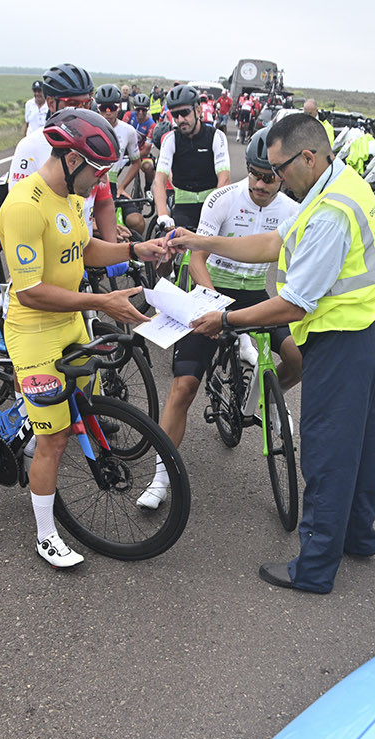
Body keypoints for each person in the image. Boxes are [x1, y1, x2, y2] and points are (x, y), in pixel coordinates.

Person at [173, 114, 375, 594]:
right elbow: (278, 243)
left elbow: (294, 302)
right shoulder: (339, 184)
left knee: (328, 452)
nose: (273, 179)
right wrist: (205, 242)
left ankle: (315, 567)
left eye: (279, 169)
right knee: (363, 445)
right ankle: (359, 535)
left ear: (307, 157)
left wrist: (226, 319)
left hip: (347, 339)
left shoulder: (330, 214)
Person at [0, 109, 171, 568]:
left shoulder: (76, 195)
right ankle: (45, 535)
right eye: (97, 170)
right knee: (54, 438)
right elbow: (30, 291)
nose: (102, 181)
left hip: (71, 320)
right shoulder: (23, 206)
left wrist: (135, 248)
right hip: (35, 330)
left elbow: (85, 246)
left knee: (75, 416)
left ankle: (33, 434)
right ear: (70, 158)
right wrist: (101, 304)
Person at [137, 126, 301, 511]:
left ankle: (265, 399)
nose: (261, 184)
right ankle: (160, 477)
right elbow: (196, 259)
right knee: (184, 387)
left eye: (270, 177)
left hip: (256, 293)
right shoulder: (222, 199)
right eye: (255, 174)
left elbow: (295, 268)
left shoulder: (293, 212)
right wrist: (213, 306)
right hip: (212, 290)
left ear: (282, 173)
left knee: (297, 357)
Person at [7, 63, 120, 244]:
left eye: (87, 103)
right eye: (74, 104)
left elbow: (104, 201)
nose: (82, 110)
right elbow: (18, 212)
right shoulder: (30, 146)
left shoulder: (92, 143)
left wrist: (112, 246)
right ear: (51, 103)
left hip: (86, 246)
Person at [152, 84, 230, 233]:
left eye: (185, 112)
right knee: (166, 248)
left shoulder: (216, 136)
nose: (180, 119)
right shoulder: (170, 139)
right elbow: (159, 181)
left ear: (198, 110)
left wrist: (216, 212)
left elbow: (224, 179)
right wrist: (162, 215)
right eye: (175, 115)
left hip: (212, 206)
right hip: (183, 209)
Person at [95, 84, 144, 234]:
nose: (108, 113)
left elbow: (136, 162)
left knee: (137, 222)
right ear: (97, 108)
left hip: (113, 186)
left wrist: (122, 187)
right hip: (92, 185)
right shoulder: (90, 127)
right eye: (104, 108)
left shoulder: (128, 131)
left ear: (119, 107)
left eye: (112, 108)